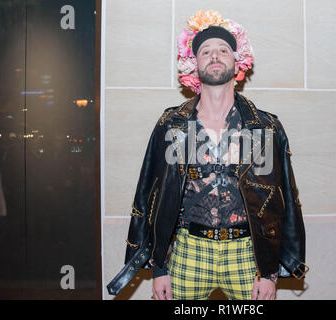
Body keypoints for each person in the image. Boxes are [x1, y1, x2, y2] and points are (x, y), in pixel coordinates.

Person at [107, 10, 307, 300]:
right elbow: (149, 195)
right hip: (188, 250)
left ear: (237, 61)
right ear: (194, 63)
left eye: (223, 50)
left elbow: (282, 199)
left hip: (247, 254)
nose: (215, 56)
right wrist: (159, 267)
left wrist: (270, 271)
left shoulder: (265, 127)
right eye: (206, 51)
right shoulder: (172, 126)